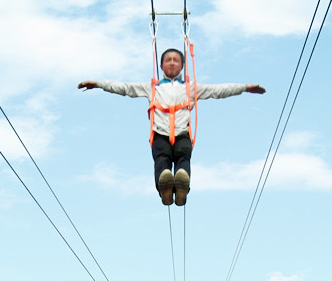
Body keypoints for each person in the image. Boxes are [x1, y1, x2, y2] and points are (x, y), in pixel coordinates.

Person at [78, 48, 265, 206]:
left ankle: (182, 185)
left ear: (182, 66)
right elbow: (124, 88)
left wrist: (245, 87)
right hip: (160, 134)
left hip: (182, 132)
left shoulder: (191, 88)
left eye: (176, 60)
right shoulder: (151, 87)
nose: (172, 63)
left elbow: (219, 90)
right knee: (162, 160)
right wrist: (99, 84)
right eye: (168, 60)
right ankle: (164, 188)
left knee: (184, 158)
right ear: (161, 66)